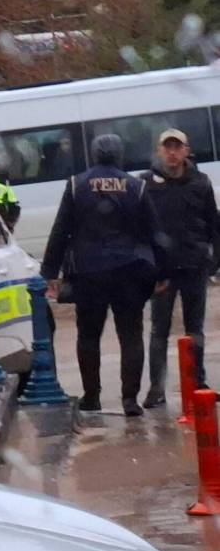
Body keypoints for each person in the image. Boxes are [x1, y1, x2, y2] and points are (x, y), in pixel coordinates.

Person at [41, 134, 167, 417]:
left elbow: (60, 231)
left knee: (88, 336)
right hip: (129, 272)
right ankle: (129, 400)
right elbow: (154, 231)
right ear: (120, 155)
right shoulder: (137, 186)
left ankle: (92, 396)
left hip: (88, 273)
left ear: (94, 155)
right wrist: (162, 271)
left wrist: (49, 271)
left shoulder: (76, 185)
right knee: (131, 335)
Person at [142, 128, 218, 406]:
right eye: (167, 147)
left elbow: (214, 223)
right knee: (159, 330)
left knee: (194, 328)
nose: (172, 152)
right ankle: (156, 388)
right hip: (162, 272)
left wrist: (213, 261)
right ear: (160, 150)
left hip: (194, 266)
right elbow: (140, 229)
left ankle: (198, 380)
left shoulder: (201, 182)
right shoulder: (146, 183)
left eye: (178, 147)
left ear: (187, 151)